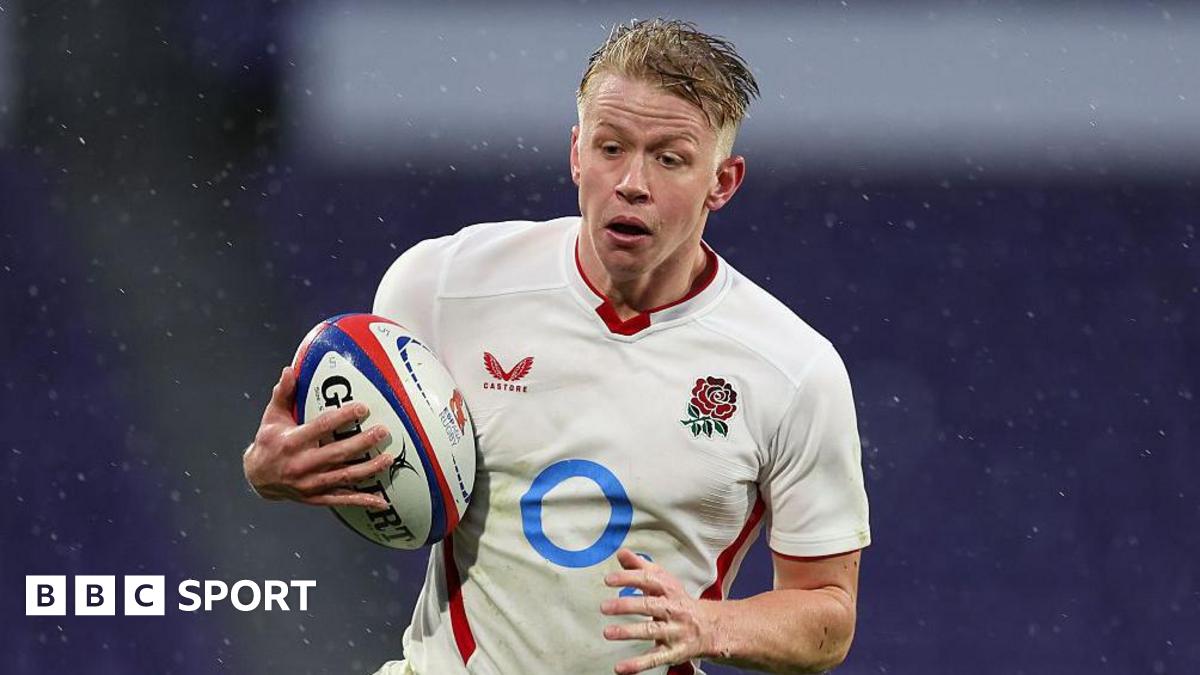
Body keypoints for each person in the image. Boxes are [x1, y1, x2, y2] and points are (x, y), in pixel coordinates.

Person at [244, 19, 870, 675]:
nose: (631, 182)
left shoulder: (793, 370)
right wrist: (273, 471)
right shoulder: (442, 285)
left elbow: (827, 615)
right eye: (610, 148)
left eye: (669, 159)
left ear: (723, 181)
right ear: (576, 152)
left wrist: (712, 622)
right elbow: (373, 467)